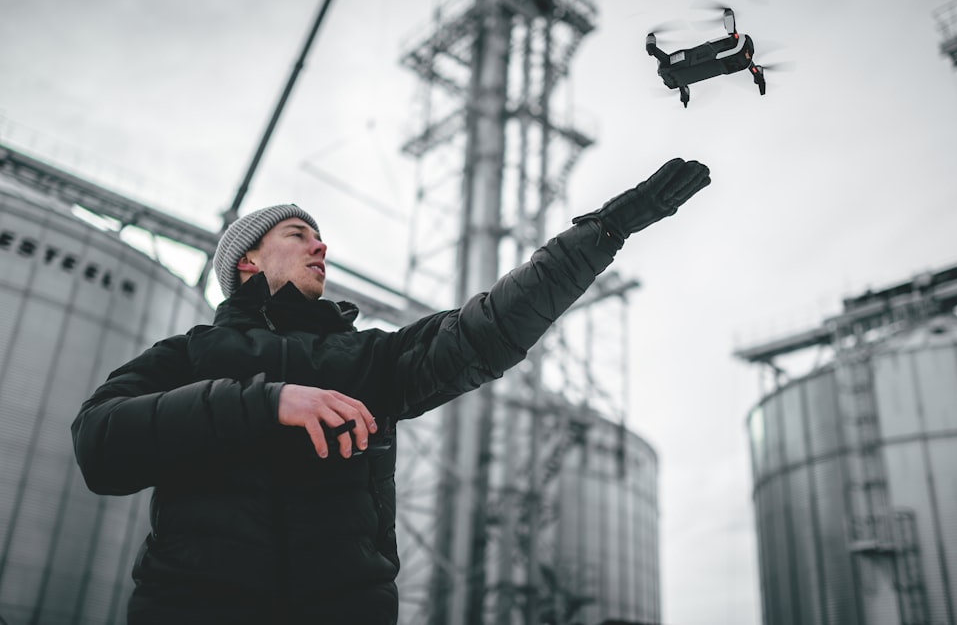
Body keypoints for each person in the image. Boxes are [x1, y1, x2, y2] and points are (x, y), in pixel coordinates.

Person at [71, 157, 711, 624]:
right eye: (298, 235)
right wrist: (264, 403)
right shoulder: (188, 356)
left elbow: (486, 329)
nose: (321, 244)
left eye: (319, 235)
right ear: (247, 263)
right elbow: (98, 443)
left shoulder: (369, 360)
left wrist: (603, 232)